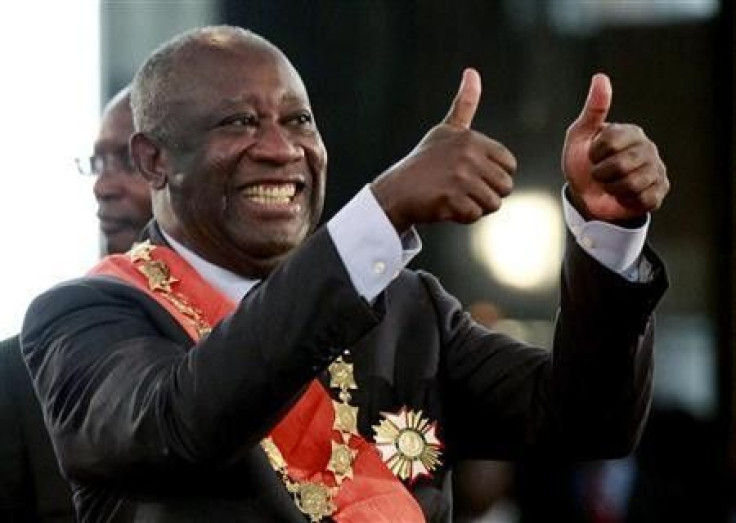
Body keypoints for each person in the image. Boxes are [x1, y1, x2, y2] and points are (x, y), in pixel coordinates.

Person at [21, 25, 669, 522]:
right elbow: (186, 422)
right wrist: (380, 214)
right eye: (239, 122)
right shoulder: (83, 319)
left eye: (298, 119)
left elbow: (589, 421)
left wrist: (606, 232)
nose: (280, 149)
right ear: (154, 160)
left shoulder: (409, 307)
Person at [0, 87, 151, 521]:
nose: (104, 186)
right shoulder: (21, 372)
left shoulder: (262, 344)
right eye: (98, 163)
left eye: (128, 161)